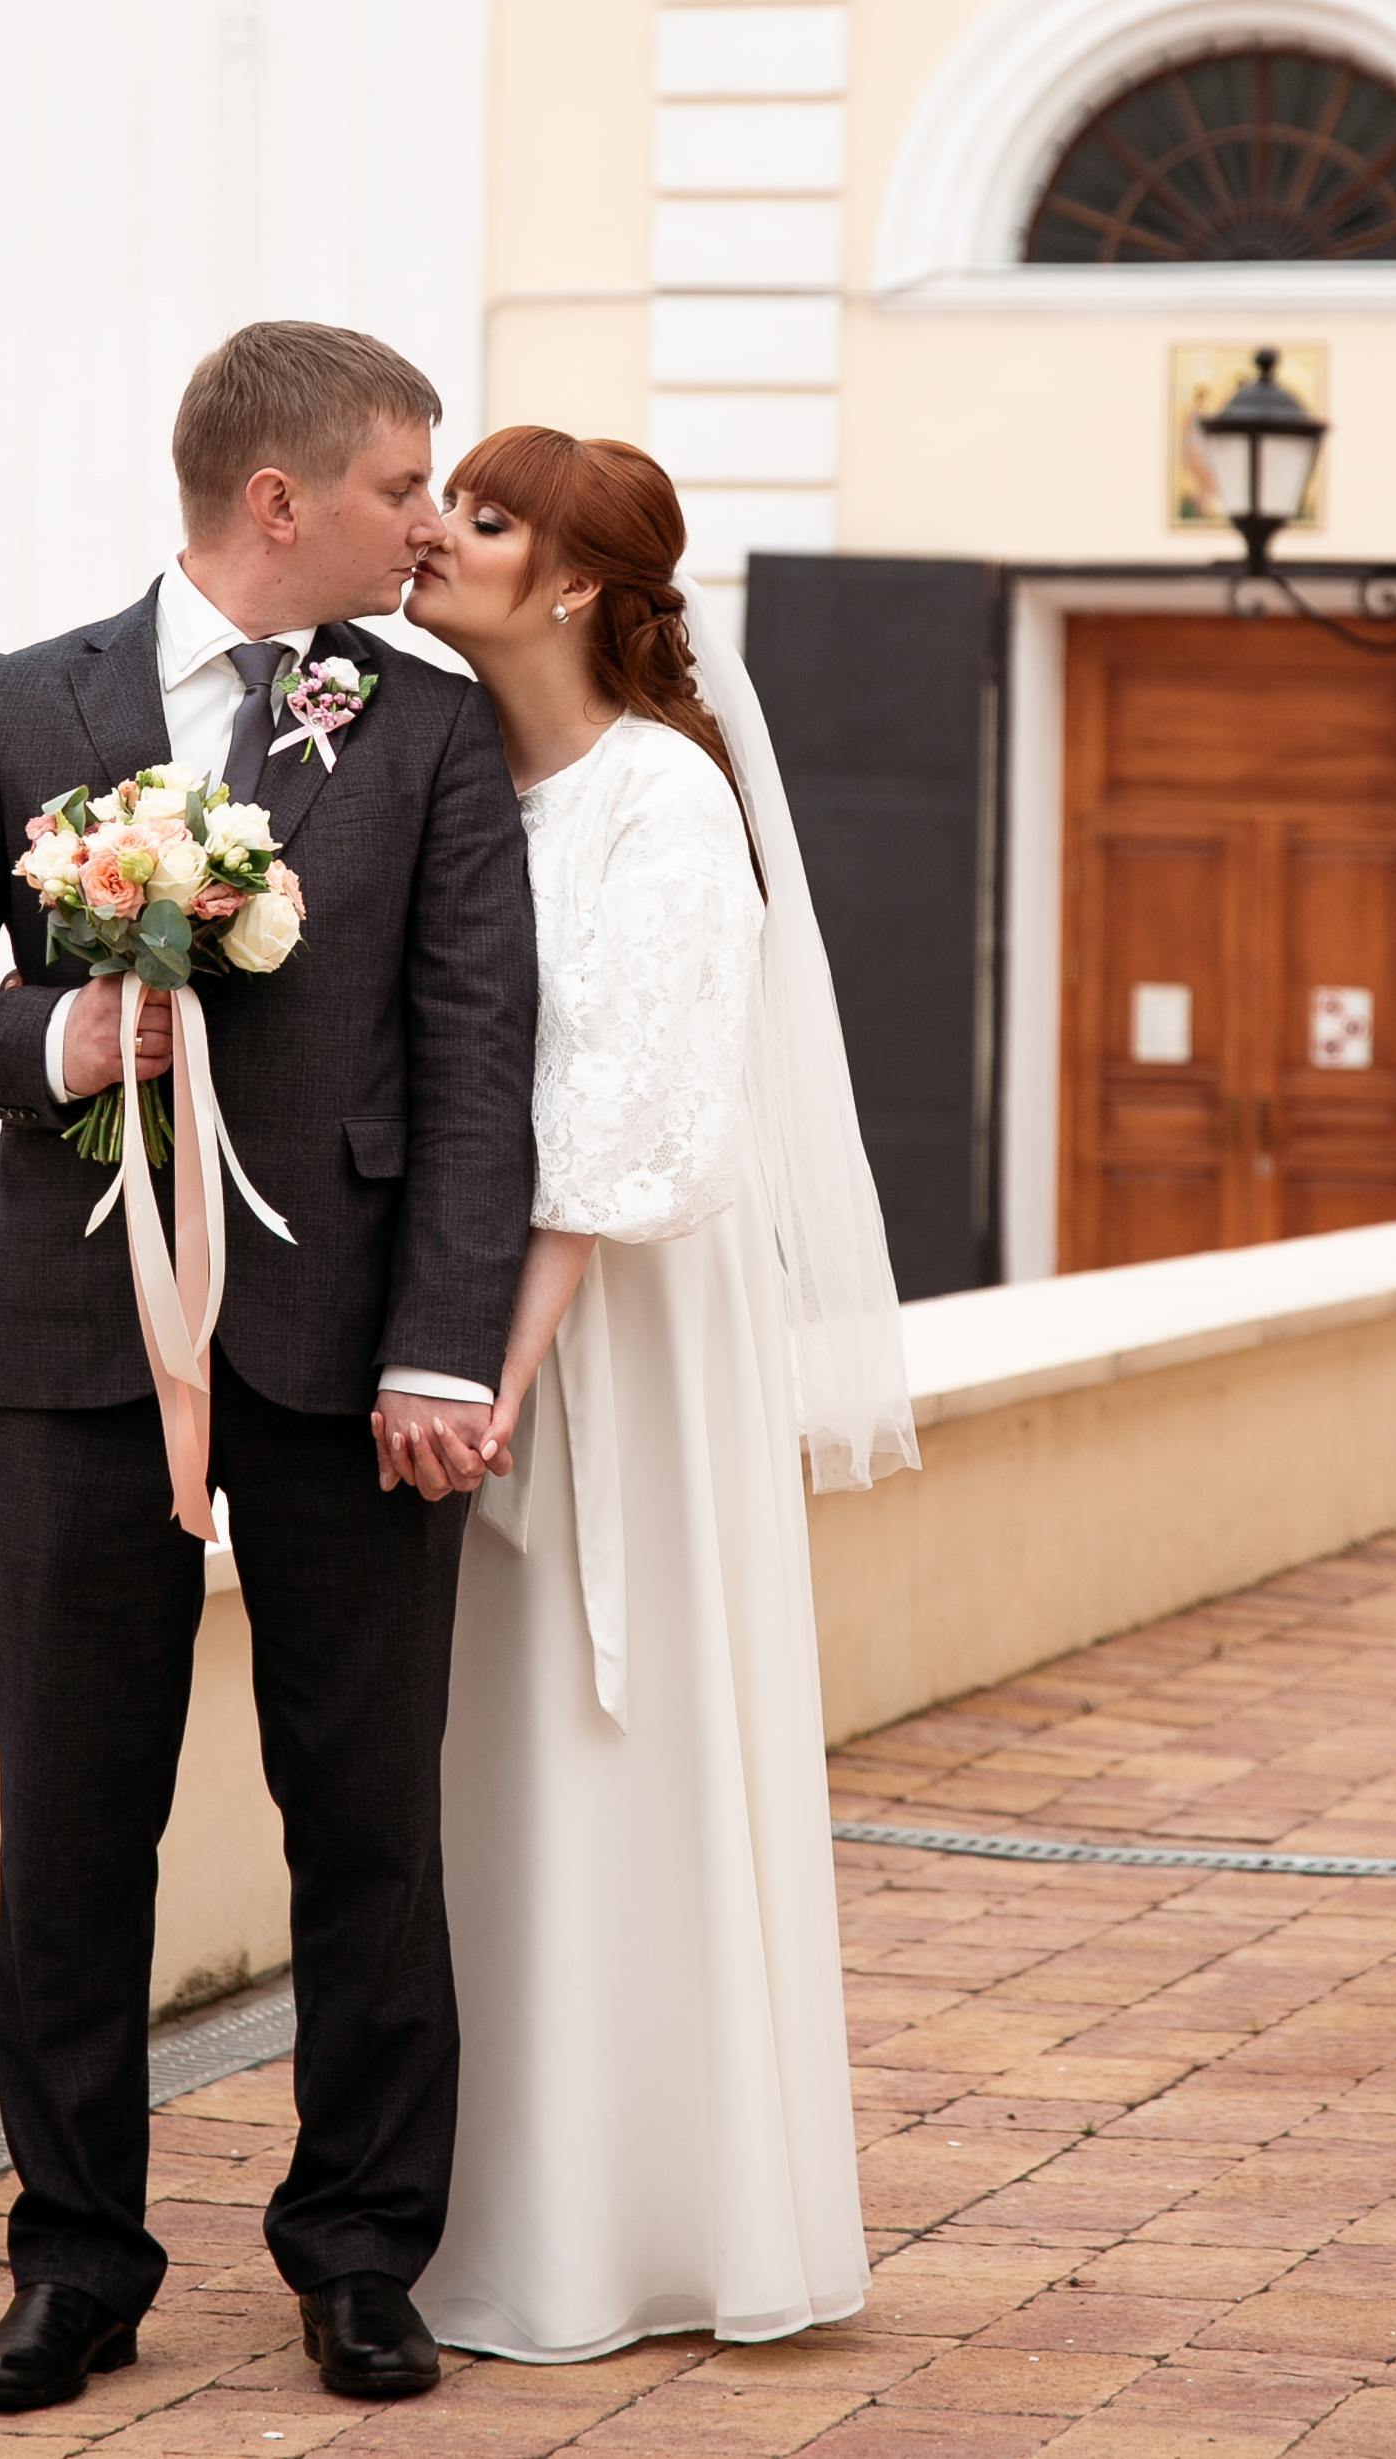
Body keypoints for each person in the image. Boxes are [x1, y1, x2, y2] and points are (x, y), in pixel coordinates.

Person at [0, 323, 539, 2415]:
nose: (427, 525)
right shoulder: (16, 702)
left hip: (348, 1354)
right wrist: (58, 1036)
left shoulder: (430, 726)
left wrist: (445, 1345)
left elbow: (477, 1056)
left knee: (368, 1826)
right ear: (278, 497)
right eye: (402, 485)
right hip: (75, 1344)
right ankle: (75, 2260)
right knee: (72, 1826)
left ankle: (361, 2253)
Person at [385, 426, 916, 2363]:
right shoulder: (451, 775)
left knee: (613, 1737)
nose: (434, 530)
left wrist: (492, 1378)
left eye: (485, 517)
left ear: (581, 586)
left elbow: (627, 1122)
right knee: (487, 1772)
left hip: (614, 1328)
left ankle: (652, 2225)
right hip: (477, 1319)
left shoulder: (666, 802)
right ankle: (496, 2209)